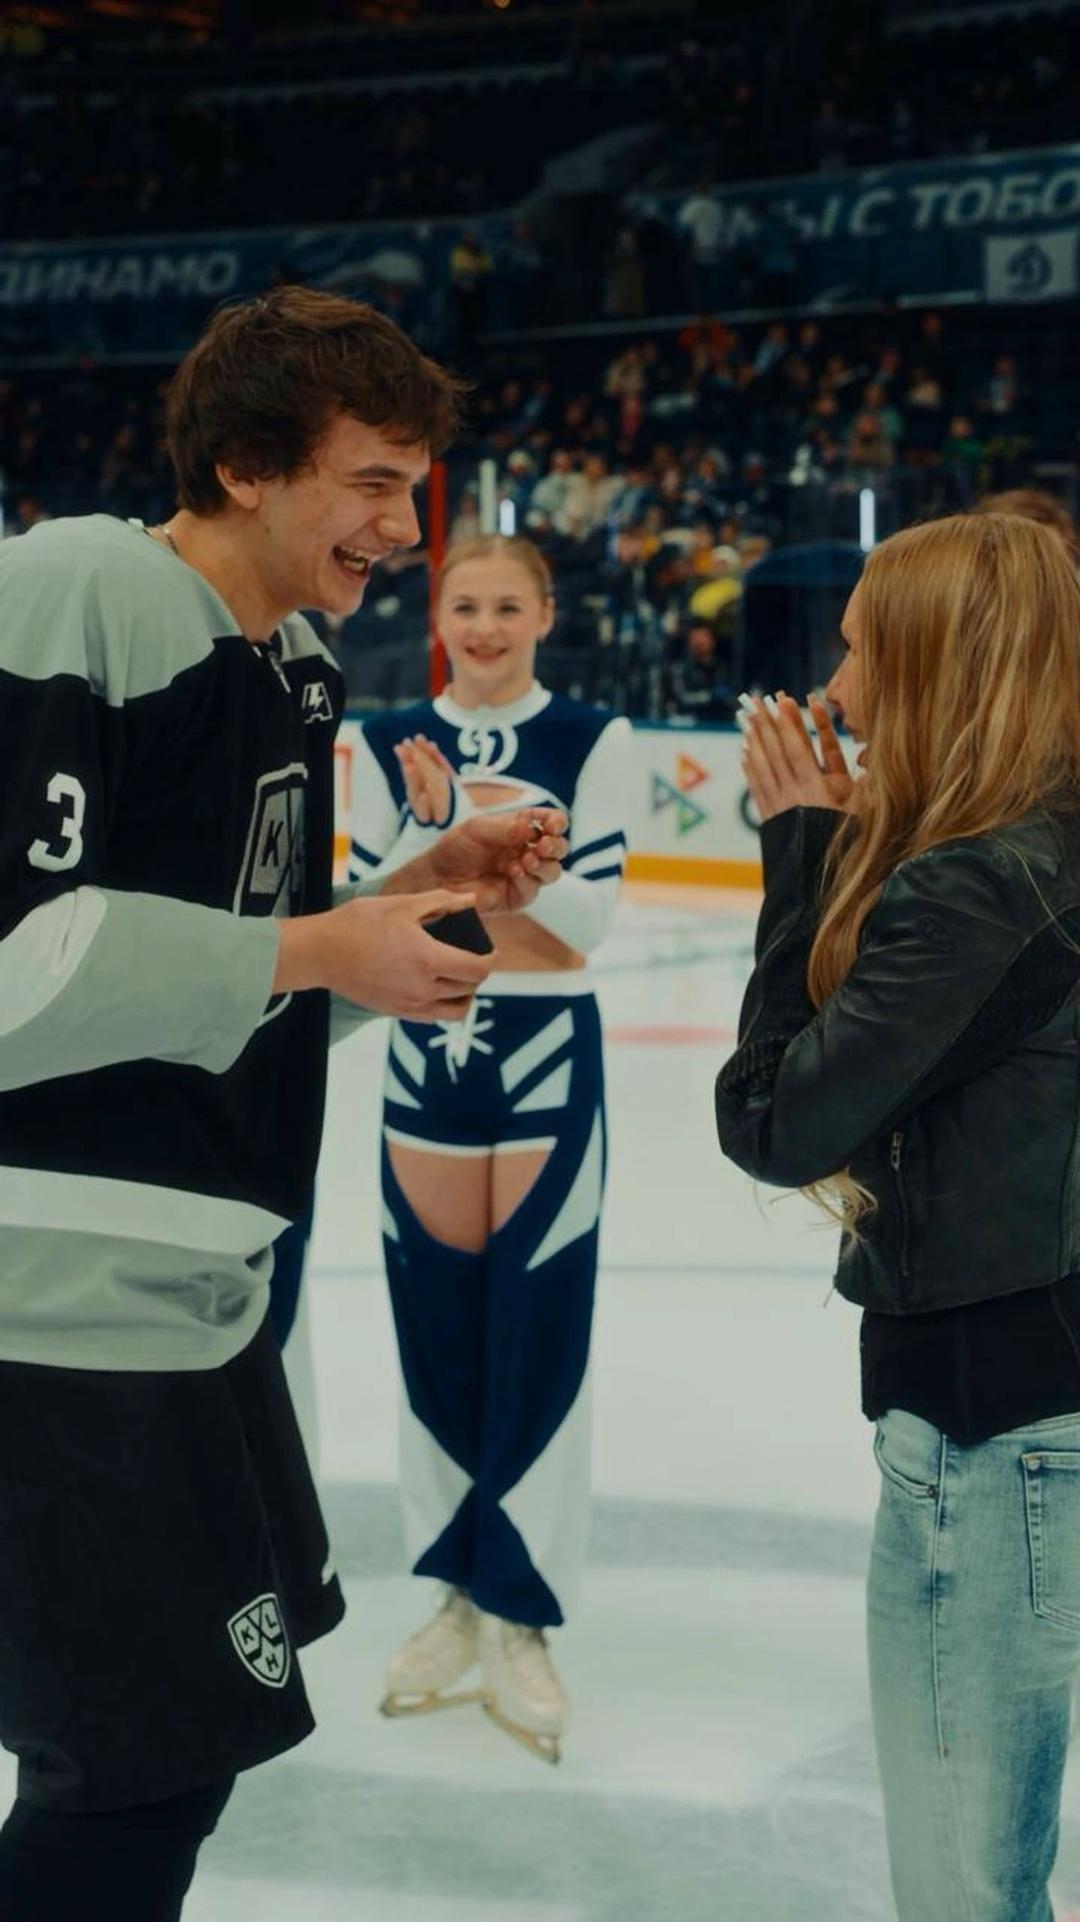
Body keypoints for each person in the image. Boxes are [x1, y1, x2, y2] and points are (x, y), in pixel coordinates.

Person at [0, 284, 570, 1920]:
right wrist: (321, 943)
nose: (403, 526)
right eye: (372, 481)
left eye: (416, 486)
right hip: (53, 1308)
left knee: (167, 1765)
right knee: (130, 1770)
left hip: (187, 1305)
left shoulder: (294, 662)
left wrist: (403, 903)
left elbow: (236, 974)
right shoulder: (75, 587)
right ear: (248, 465)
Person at [717, 512, 1080, 1921]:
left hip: (1001, 1438)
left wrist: (800, 847)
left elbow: (774, 1119)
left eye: (864, 651)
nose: (838, 687)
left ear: (939, 667)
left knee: (965, 1890)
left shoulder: (983, 884)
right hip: (1044, 1398)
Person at [347, 534, 633, 1764]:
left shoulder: (594, 738)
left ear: (546, 614)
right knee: (437, 1325)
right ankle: (455, 1593)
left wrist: (454, 834)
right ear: (437, 614)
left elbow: (584, 930)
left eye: (508, 605)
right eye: (464, 603)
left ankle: (521, 1610)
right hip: (427, 1049)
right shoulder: (384, 739)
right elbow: (368, 916)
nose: (483, 625)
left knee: (538, 1325)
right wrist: (475, 883)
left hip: (550, 1054)